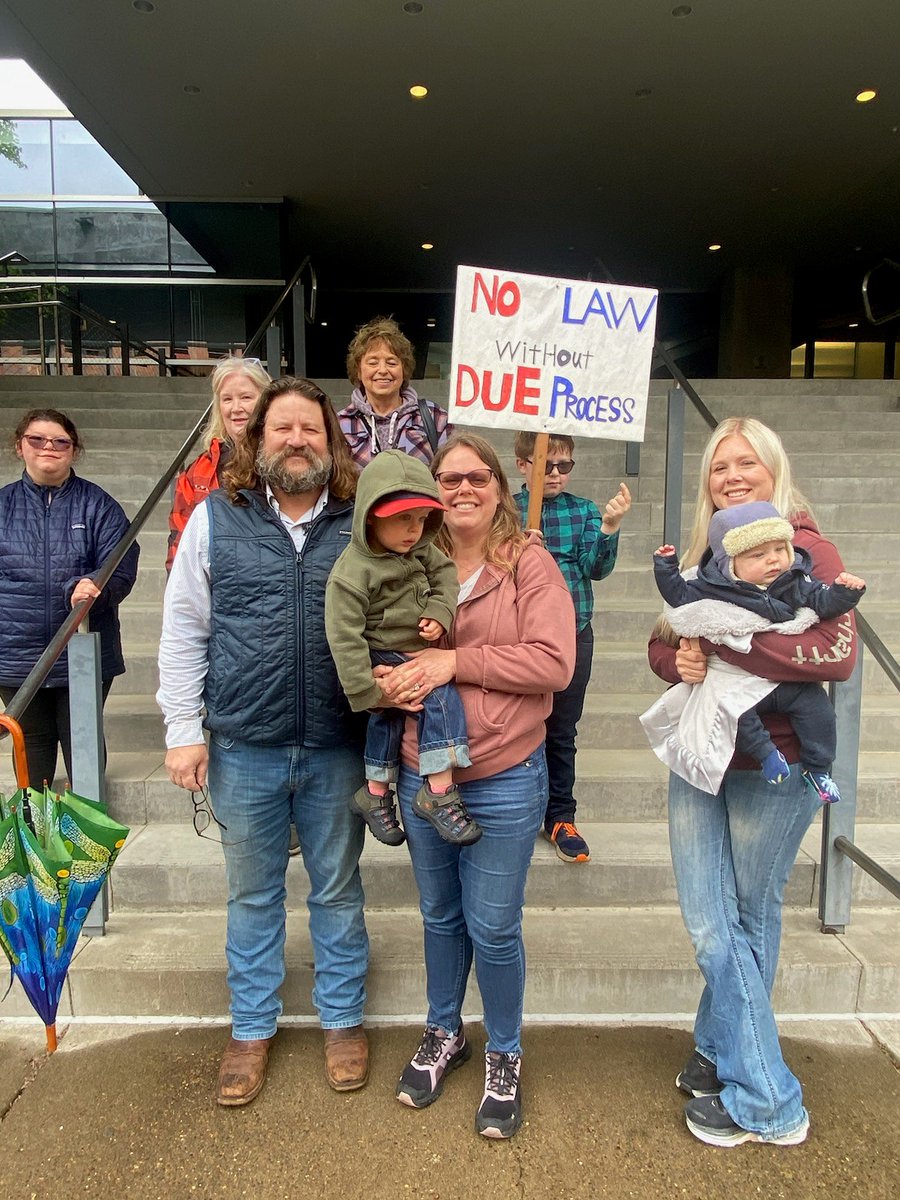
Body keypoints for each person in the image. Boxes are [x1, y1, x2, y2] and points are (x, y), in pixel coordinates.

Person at [156, 376, 371, 1107]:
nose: (296, 440)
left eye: (310, 428)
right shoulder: (219, 517)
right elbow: (185, 627)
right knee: (253, 896)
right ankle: (251, 1028)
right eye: (282, 428)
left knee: (338, 892)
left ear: (330, 439)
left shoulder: (361, 520)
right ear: (258, 438)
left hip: (338, 745)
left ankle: (343, 1021)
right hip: (244, 745)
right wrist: (183, 730)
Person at [647, 417, 859, 1148]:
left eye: (747, 463)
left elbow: (834, 651)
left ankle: (768, 1099)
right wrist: (679, 660)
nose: (732, 475)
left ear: (774, 467)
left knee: (734, 920)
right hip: (702, 755)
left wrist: (732, 646)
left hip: (781, 763)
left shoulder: (808, 546)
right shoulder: (710, 547)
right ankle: (719, 1051)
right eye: (718, 467)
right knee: (720, 921)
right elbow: (665, 636)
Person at [376, 433, 575, 1139]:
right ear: (432, 491)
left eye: (475, 477)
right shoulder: (407, 561)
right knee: (439, 917)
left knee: (491, 926)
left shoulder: (530, 563)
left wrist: (453, 662)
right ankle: (443, 1033)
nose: (462, 488)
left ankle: (506, 1053)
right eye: (448, 478)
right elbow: (374, 639)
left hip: (501, 774)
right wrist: (385, 678)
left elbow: (553, 663)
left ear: (500, 486)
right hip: (417, 769)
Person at [647, 500, 865, 801]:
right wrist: (666, 567)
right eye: (758, 555)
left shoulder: (794, 582)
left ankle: (818, 768)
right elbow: (679, 596)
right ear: (731, 565)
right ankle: (767, 757)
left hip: (782, 682)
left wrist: (846, 592)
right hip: (736, 680)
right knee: (734, 711)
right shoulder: (715, 587)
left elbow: (824, 604)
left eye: (779, 550)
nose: (773, 561)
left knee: (817, 707)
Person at [325, 449, 479, 847]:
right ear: (371, 514)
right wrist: (368, 692)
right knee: (439, 698)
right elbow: (344, 636)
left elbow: (447, 576)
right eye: (402, 518)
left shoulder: (422, 550)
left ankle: (375, 792)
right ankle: (439, 791)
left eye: (422, 519)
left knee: (391, 719)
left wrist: (439, 611)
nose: (414, 530)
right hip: (380, 652)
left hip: (414, 647)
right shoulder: (351, 572)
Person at [0, 409, 139, 787]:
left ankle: (88, 835)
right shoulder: (3, 506)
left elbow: (121, 562)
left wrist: (94, 584)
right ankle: (34, 831)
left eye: (60, 441)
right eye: (37, 439)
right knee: (31, 745)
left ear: (74, 450)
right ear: (19, 446)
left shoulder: (98, 505)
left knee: (84, 746)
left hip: (82, 651)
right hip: (17, 654)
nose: (49, 447)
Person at [513, 430, 631, 863]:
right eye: (549, 465)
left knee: (561, 730)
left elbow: (595, 568)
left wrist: (609, 527)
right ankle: (516, 812)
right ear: (524, 464)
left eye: (566, 466)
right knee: (515, 725)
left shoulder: (582, 511)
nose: (558, 473)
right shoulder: (506, 509)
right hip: (518, 632)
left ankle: (560, 816)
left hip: (573, 630)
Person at [166, 356, 271, 571]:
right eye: (227, 399)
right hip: (215, 588)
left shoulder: (283, 461)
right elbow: (180, 542)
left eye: (246, 397)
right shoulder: (198, 471)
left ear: (267, 401)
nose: (236, 408)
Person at [338, 316, 451, 467]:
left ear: (404, 370)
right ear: (358, 371)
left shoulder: (435, 418)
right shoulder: (339, 424)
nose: (383, 370)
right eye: (373, 363)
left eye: (391, 362)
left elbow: (450, 474)